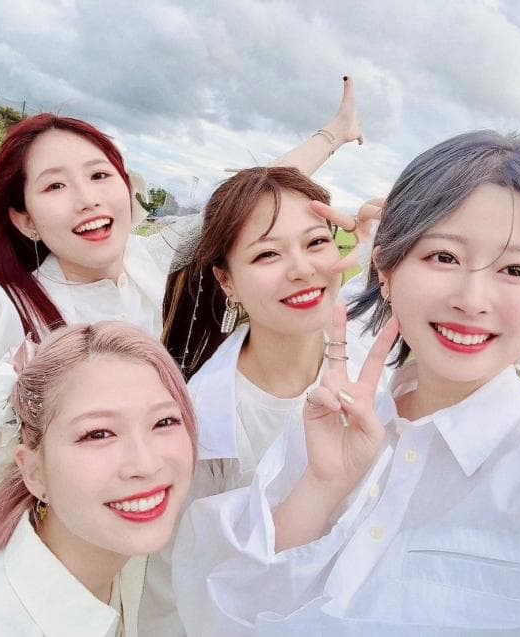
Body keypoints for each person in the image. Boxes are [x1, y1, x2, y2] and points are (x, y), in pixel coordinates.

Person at [171, 130, 520, 635]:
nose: (472, 299)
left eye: (517, 269)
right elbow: (226, 609)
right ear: (386, 269)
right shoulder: (329, 429)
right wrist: (324, 487)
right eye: (443, 257)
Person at [0, 77, 364, 560]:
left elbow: (249, 204)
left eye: (98, 175)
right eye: (55, 187)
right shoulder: (5, 312)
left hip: (154, 524)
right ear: (24, 220)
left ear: (126, 187)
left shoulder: (154, 259)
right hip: (57, 552)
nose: (88, 198)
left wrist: (335, 134)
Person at [139, 166, 382, 633]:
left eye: (316, 242)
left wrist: (398, 244)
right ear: (226, 281)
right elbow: (176, 587)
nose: (302, 269)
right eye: (268, 253)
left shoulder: (371, 353)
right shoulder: (201, 423)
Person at [0, 321, 197, 636]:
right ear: (33, 471)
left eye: (164, 421)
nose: (145, 464)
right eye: (98, 434)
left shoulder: (119, 553)